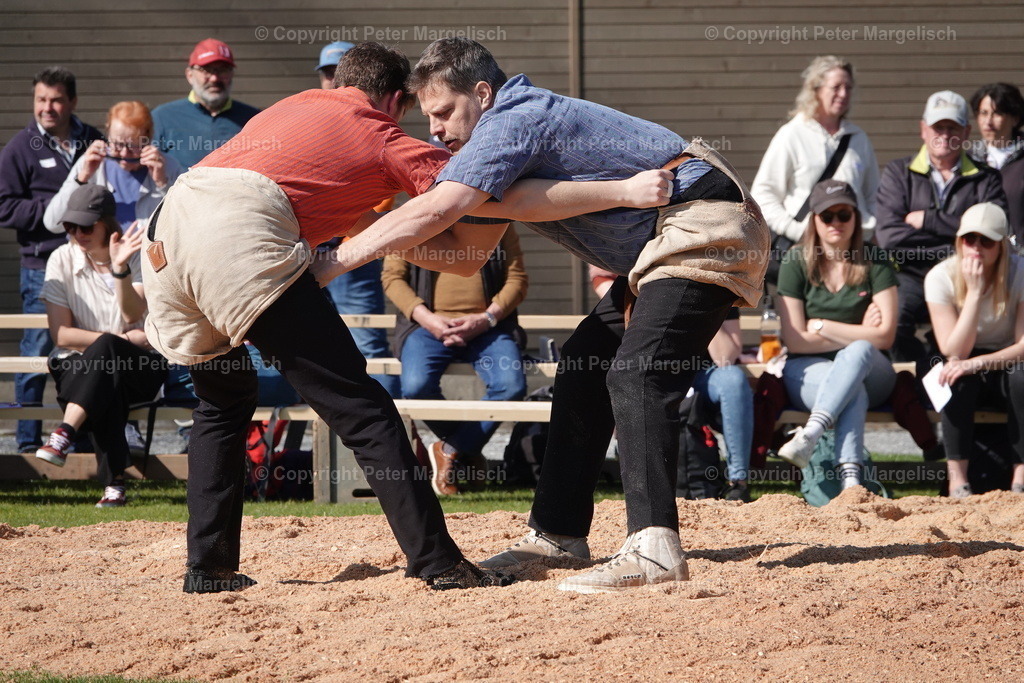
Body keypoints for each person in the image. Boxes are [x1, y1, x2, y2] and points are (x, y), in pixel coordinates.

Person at [142, 42, 669, 594]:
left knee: (221, 403)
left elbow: (423, 240)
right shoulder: (382, 133)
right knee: (363, 410)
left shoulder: (292, 106)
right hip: (236, 233)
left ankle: (208, 566)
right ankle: (438, 561)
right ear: (394, 100)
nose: (432, 126)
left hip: (165, 232)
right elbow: (496, 197)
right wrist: (622, 191)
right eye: (422, 112)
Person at [320, 38, 769, 594]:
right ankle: (558, 533)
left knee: (638, 371)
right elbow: (462, 254)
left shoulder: (512, 118)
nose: (433, 128)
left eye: (442, 112)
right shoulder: (500, 142)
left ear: (482, 94)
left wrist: (331, 262)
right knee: (583, 362)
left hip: (703, 226)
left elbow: (439, 210)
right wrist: (360, 224)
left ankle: (655, 548)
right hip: (667, 241)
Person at [34, 185, 164, 507]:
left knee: (107, 359)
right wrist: (117, 340)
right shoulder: (61, 260)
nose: (77, 233)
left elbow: (131, 313)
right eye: (70, 226)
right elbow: (62, 336)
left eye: (87, 226)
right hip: (86, 365)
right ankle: (114, 486)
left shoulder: (135, 254)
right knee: (107, 373)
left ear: (107, 223)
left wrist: (120, 269)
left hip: (140, 366)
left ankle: (64, 432)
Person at [0, 66, 103, 454]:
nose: (48, 108)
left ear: (72, 102)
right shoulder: (20, 148)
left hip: (91, 267)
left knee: (87, 352)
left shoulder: (94, 140)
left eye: (57, 99)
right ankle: (27, 442)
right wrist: (61, 211)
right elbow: (4, 208)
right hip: (41, 267)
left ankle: (82, 439)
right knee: (37, 352)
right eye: (41, 99)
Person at [773, 180, 898, 490]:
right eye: (827, 216)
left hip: (874, 369)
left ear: (856, 217)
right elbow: (794, 340)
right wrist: (862, 332)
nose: (836, 223)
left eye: (844, 214)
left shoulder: (875, 259)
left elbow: (884, 338)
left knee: (858, 353)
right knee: (850, 386)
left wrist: (821, 325)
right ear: (814, 219)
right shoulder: (795, 261)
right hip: (807, 369)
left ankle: (810, 434)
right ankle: (852, 483)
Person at [383, 229, 528, 496]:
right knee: (416, 388)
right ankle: (467, 451)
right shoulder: (412, 219)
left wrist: (485, 318)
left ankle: (450, 450)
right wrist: (428, 319)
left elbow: (517, 279)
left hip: (489, 326)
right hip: (426, 326)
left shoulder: (499, 222)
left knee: (510, 386)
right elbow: (392, 279)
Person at [875, 90, 1006, 364]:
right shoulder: (898, 173)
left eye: (952, 127)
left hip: (966, 273)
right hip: (910, 272)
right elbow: (889, 238)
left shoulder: (987, 179)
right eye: (937, 127)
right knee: (893, 320)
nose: (944, 135)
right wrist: (959, 236)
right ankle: (922, 374)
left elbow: (995, 229)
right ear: (923, 130)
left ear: (967, 131)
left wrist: (929, 220)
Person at [316, 40, 401, 397]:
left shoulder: (376, 129)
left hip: (356, 259)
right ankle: (307, 446)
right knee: (310, 351)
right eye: (328, 75)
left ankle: (392, 438)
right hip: (308, 254)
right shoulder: (312, 125)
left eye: (342, 76)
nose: (334, 83)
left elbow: (382, 199)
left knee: (369, 350)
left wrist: (347, 244)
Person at [925, 202, 1024, 498]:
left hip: (1006, 359)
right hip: (964, 358)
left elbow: (1022, 346)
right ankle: (958, 481)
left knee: (1022, 377)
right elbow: (952, 348)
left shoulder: (1019, 272)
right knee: (953, 378)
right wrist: (975, 293)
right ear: (959, 241)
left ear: (1002, 246)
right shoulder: (940, 276)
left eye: (987, 241)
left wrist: (977, 363)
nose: (976, 248)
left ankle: (1020, 477)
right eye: (970, 239)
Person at [751, 56, 879, 279]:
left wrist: (865, 234)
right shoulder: (792, 134)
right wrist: (802, 233)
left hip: (854, 258)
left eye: (848, 87)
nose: (843, 94)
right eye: (836, 87)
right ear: (815, 89)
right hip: (803, 256)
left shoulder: (859, 139)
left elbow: (874, 197)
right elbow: (763, 195)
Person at [44, 101, 183, 233]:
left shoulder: (167, 166)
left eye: (133, 146)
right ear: (107, 134)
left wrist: (162, 183)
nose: (124, 153)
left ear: (149, 138)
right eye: (117, 144)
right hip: (101, 256)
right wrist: (82, 178)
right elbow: (53, 223)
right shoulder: (92, 163)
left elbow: (185, 221)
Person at [152, 38, 260, 169]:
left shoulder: (254, 120)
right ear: (190, 75)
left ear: (232, 74)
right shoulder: (162, 117)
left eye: (223, 70)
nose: (215, 78)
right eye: (206, 70)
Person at [691, 309, 754, 502]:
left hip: (704, 375)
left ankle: (738, 482)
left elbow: (725, 358)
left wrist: (704, 305)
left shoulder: (719, 285)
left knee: (733, 380)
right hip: (660, 369)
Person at [969, 83, 1024, 246]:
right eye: (983, 113)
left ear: (1015, 118)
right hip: (979, 255)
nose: (988, 122)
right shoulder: (968, 161)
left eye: (997, 113)